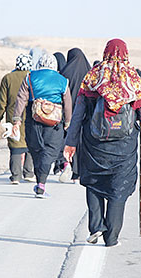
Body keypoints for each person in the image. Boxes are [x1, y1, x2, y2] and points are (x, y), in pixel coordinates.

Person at [64, 39, 141, 247]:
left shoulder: (93, 76)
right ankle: (111, 237)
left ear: (106, 52)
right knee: (118, 188)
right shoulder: (132, 77)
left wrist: (70, 142)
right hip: (123, 147)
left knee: (94, 182)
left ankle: (96, 227)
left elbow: (78, 114)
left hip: (94, 144)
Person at [12, 53, 72, 198]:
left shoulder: (30, 77)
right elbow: (68, 104)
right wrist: (68, 122)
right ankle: (41, 184)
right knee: (50, 150)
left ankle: (40, 183)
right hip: (54, 122)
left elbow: (21, 98)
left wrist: (17, 119)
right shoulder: (63, 81)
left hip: (34, 119)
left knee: (36, 149)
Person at [0, 54, 35, 185]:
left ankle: (16, 176)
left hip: (13, 116)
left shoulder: (8, 78)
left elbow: (2, 101)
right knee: (30, 142)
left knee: (16, 145)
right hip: (30, 115)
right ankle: (29, 173)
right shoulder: (32, 77)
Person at [58, 47, 91, 182]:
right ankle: (80, 171)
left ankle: (69, 166)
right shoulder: (89, 72)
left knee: (69, 140)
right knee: (83, 142)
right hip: (85, 113)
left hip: (69, 113)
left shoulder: (65, 72)